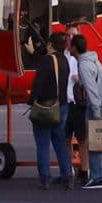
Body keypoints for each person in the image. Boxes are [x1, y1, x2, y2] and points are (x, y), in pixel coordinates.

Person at [25, 32, 71, 189]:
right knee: (60, 142)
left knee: (43, 143)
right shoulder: (64, 60)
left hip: (46, 106)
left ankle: (44, 177)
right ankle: (67, 176)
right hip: (62, 106)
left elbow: (38, 83)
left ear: (50, 44)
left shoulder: (47, 61)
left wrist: (31, 101)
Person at [73, 34, 102, 188]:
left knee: (96, 141)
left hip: (98, 104)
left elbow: (91, 89)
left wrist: (96, 110)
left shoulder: (84, 65)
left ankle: (97, 177)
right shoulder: (94, 60)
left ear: (74, 48)